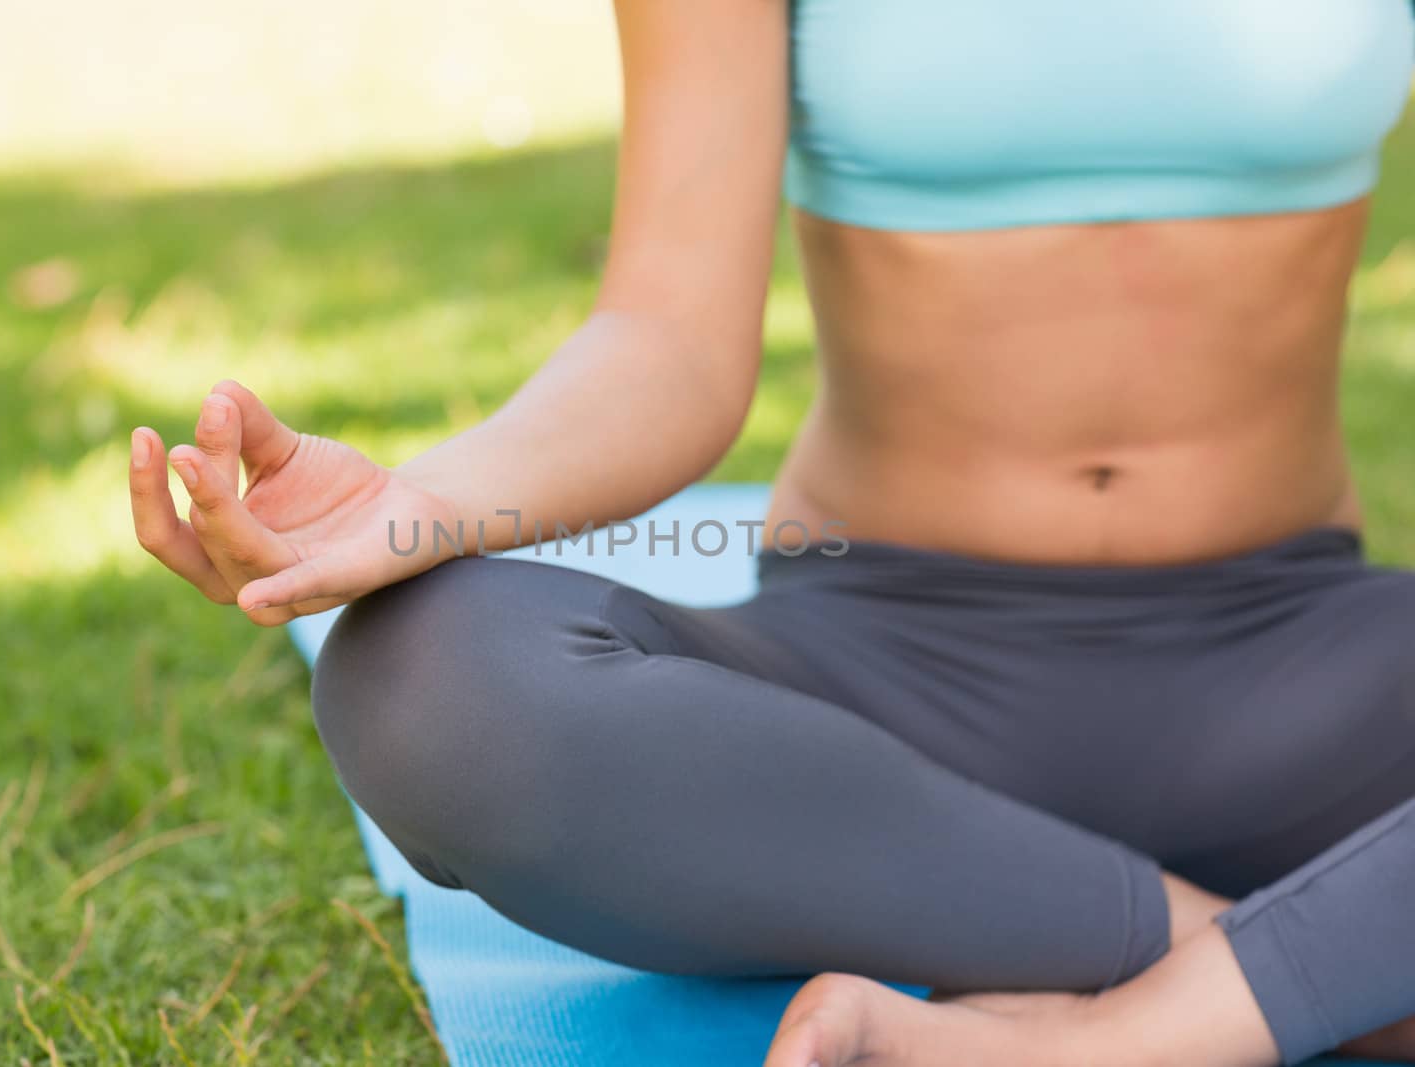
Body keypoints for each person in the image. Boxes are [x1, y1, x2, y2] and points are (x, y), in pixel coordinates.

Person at [129, 3, 1415, 1064]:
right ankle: (1303, 959)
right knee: (429, 678)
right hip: (877, 687)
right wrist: (423, 502)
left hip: (1304, 688)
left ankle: (1127, 1030)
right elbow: (668, 340)